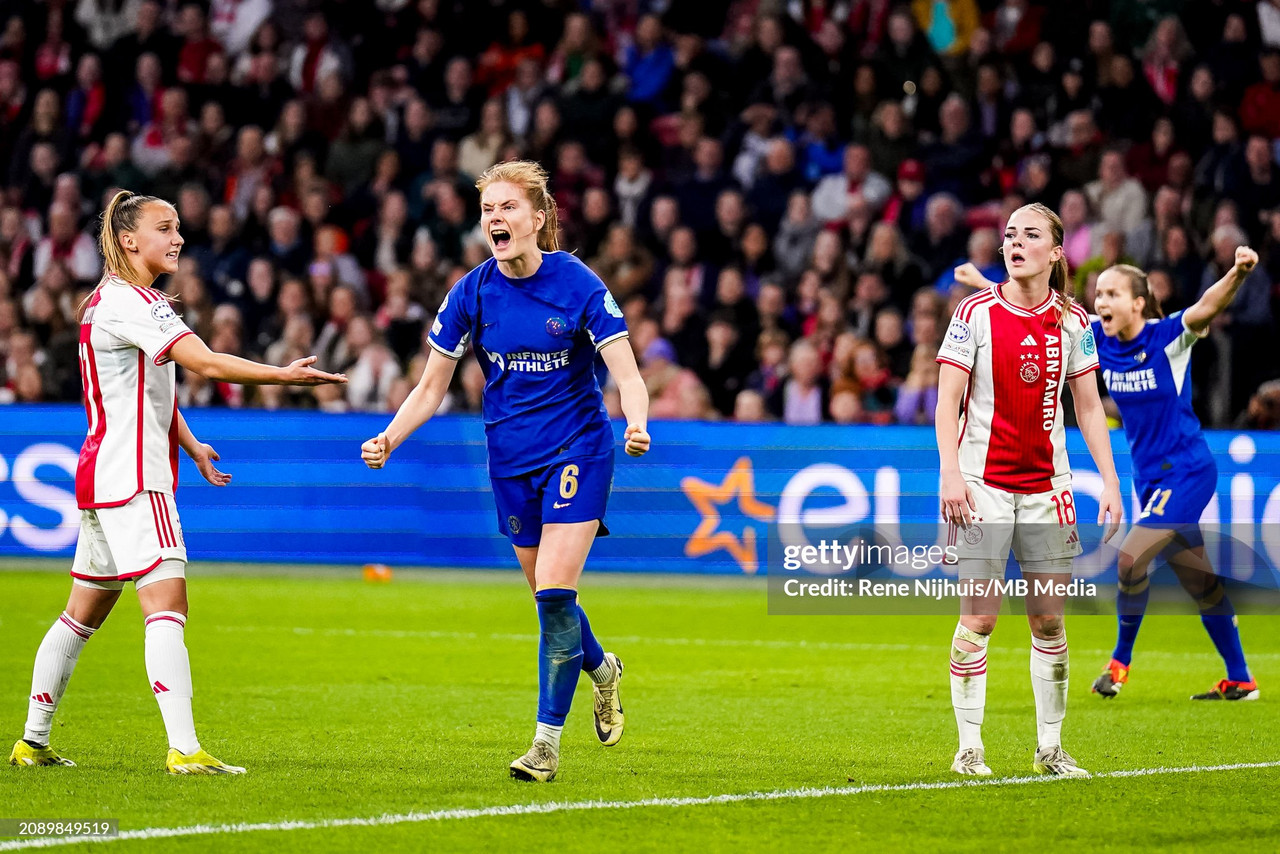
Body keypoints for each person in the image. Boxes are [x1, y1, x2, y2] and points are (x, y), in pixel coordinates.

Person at [10, 191, 345, 774]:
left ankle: (31, 741)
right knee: (168, 605)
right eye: (164, 228)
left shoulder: (106, 301)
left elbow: (147, 385)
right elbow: (207, 363)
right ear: (127, 240)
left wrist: (190, 446)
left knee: (80, 615)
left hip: (102, 475)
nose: (178, 238)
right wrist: (283, 377)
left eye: (179, 227)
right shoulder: (136, 302)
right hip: (137, 479)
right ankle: (185, 750)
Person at [360, 161, 650, 783]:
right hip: (510, 460)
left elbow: (625, 370)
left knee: (552, 590)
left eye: (508, 208)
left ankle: (545, 744)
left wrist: (637, 420)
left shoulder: (578, 283)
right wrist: (390, 435)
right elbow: (431, 384)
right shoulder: (471, 291)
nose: (496, 218)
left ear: (538, 218)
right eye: (488, 209)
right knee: (550, 601)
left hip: (579, 450)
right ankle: (603, 670)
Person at [936, 203, 1123, 779]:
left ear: (1056, 251)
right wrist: (950, 473)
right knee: (981, 619)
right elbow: (947, 402)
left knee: (1048, 620)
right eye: (1010, 234)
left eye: (1030, 234)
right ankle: (970, 748)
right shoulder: (973, 312)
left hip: (1048, 489)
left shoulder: (1074, 321)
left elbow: (1088, 407)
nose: (1016, 243)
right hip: (982, 485)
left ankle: (1050, 748)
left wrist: (1111, 480)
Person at [1089, 252, 1260, 701]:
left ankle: (1119, 664)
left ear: (1139, 303)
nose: (1101, 301)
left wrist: (1238, 272)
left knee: (1130, 559)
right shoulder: (1096, 337)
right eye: (1099, 293)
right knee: (1200, 582)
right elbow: (1052, 309)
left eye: (1112, 293)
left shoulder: (1169, 338)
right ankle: (1241, 678)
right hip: (1149, 480)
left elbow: (1207, 304)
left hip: (1187, 471)